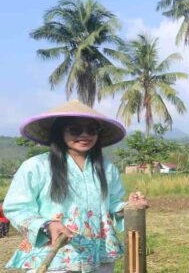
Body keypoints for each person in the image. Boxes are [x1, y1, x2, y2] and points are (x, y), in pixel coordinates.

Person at [4, 100, 148, 272]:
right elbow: (17, 207)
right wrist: (46, 225)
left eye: (92, 130)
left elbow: (111, 206)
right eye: (75, 130)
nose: (85, 135)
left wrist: (129, 207)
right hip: (56, 257)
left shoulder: (107, 168)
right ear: (60, 132)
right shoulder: (36, 166)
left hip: (99, 256)